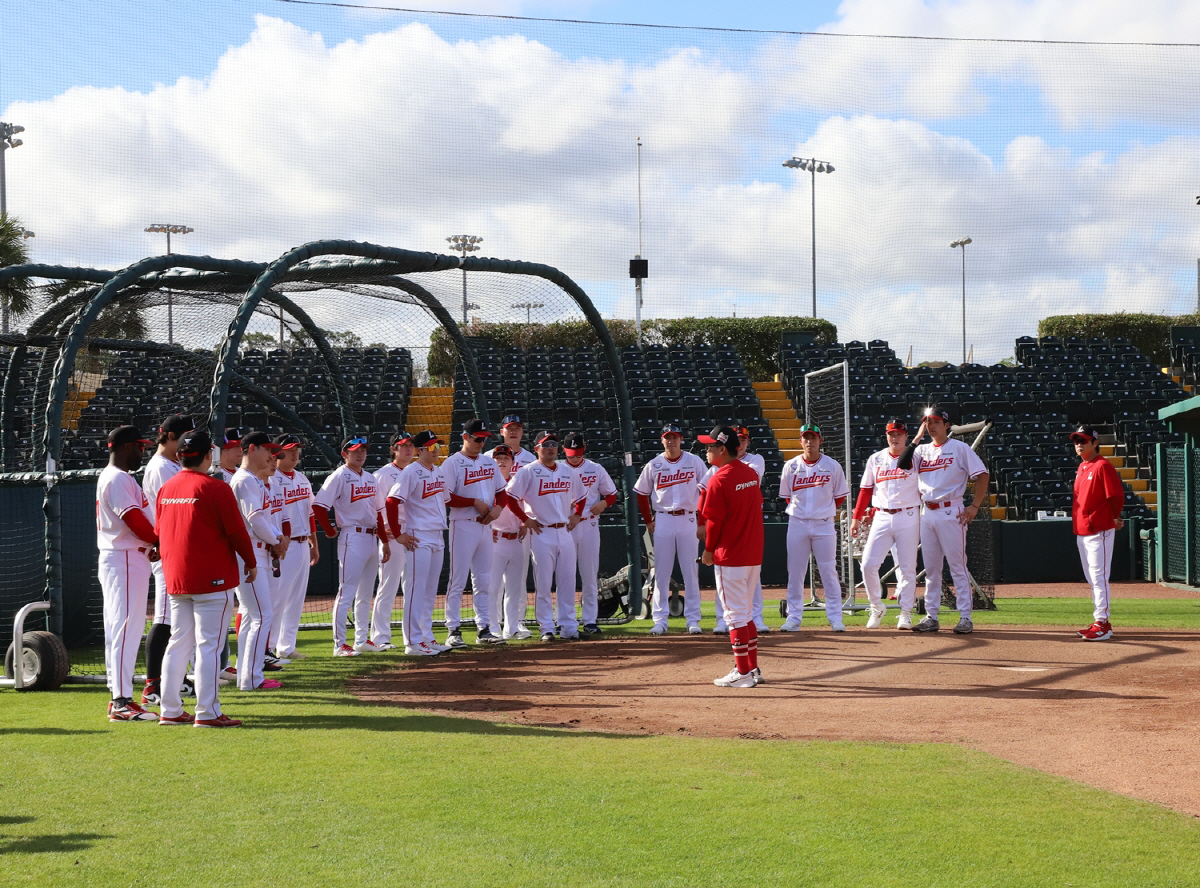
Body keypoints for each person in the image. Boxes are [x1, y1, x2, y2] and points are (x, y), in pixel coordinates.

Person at [155, 428, 257, 727]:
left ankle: (170, 710)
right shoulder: (215, 488)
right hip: (211, 579)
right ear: (208, 455)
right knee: (208, 646)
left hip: (176, 578)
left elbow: (159, 534)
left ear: (180, 455)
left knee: (178, 644)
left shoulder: (168, 487)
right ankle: (207, 711)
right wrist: (251, 563)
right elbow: (237, 532)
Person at [907, 406, 990, 634]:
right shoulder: (920, 451)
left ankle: (965, 617)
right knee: (931, 569)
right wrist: (915, 440)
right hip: (927, 512)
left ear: (946, 425)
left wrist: (974, 506)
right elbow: (901, 464)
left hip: (951, 510)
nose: (931, 425)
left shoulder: (959, 448)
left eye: (935, 421)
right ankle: (931, 616)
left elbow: (982, 475)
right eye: (927, 422)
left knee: (957, 567)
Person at [96, 425, 158, 721]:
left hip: (127, 557)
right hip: (124, 558)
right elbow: (136, 522)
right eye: (139, 446)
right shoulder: (117, 478)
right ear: (124, 447)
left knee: (121, 628)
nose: (142, 451)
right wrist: (162, 541)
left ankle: (118, 696)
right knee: (125, 628)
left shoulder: (120, 478)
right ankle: (121, 701)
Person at [698, 425, 765, 688]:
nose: (706, 451)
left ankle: (743, 673)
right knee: (745, 613)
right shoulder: (749, 473)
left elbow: (713, 521)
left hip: (731, 555)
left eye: (710, 446)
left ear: (722, 449)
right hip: (752, 553)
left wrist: (708, 550)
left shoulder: (719, 478)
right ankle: (751, 668)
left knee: (735, 616)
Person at [503, 430, 585, 641]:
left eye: (553, 444)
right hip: (541, 532)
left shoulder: (568, 471)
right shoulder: (528, 471)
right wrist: (524, 519)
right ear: (536, 448)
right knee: (544, 583)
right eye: (546, 445)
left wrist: (577, 515)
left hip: (564, 531)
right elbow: (510, 497)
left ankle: (568, 626)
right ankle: (546, 627)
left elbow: (582, 495)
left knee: (567, 582)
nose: (550, 448)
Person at [313, 435, 391, 656]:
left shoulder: (370, 478)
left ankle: (362, 639)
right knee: (346, 592)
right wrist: (329, 530)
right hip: (352, 537)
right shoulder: (339, 476)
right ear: (344, 454)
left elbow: (378, 512)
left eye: (363, 450)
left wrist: (384, 541)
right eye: (355, 450)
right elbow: (319, 505)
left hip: (371, 537)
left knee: (366, 594)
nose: (360, 454)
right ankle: (339, 644)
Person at [140, 413, 194, 707]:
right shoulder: (160, 467)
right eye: (184, 436)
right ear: (171, 436)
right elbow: (170, 511)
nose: (187, 443)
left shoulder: (172, 464)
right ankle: (151, 685)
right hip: (165, 550)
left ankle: (176, 680)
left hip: (176, 549)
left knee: (178, 621)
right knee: (163, 619)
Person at [634, 422, 707, 635]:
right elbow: (640, 493)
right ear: (662, 440)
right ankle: (660, 620)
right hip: (663, 518)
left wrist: (702, 521)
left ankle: (693, 619)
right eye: (667, 437)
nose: (671, 440)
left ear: (681, 439)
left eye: (675, 437)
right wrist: (648, 519)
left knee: (691, 572)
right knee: (662, 572)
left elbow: (706, 491)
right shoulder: (655, 464)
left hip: (688, 519)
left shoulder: (694, 462)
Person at [778, 423, 850, 632]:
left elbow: (839, 497)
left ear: (820, 440)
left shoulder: (832, 465)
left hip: (824, 525)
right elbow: (787, 498)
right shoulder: (790, 466)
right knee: (796, 571)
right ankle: (793, 618)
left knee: (828, 570)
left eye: (813, 437)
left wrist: (822, 512)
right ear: (800, 441)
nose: (810, 441)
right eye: (806, 438)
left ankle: (836, 617)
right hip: (798, 523)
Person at [851, 419, 920, 630]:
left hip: (908, 514)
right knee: (868, 564)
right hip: (881, 515)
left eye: (899, 434)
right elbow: (865, 489)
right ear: (886, 435)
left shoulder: (916, 458)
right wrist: (856, 516)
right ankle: (876, 606)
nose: (895, 437)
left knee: (908, 568)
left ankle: (906, 612)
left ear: (906, 436)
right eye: (891, 434)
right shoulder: (876, 458)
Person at [229, 431, 285, 690]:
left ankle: (247, 676)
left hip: (258, 550)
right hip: (249, 552)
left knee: (255, 617)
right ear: (252, 449)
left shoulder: (254, 480)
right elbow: (255, 520)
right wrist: (277, 539)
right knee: (262, 614)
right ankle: (252, 678)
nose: (271, 455)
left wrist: (273, 541)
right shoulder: (244, 480)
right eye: (266, 450)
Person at [442, 419, 506, 647]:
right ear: (465, 437)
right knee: (457, 579)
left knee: (483, 580)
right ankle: (453, 629)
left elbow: (502, 492)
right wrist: (473, 502)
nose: (481, 442)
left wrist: (498, 508)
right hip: (463, 524)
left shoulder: (489, 463)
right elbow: (446, 497)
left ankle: (484, 629)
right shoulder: (451, 464)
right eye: (477, 438)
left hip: (485, 526)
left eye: (484, 439)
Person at [386, 430, 447, 656]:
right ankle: (412, 641)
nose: (436, 451)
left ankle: (426, 636)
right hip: (418, 535)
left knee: (430, 591)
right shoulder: (411, 471)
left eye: (438, 446)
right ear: (420, 450)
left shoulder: (438, 472)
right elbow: (392, 501)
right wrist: (398, 533)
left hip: (437, 535)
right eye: (431, 447)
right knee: (415, 590)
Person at [1070, 426, 1124, 641]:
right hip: (1082, 530)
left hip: (1099, 530)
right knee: (1092, 579)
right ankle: (1100, 622)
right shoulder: (1083, 466)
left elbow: (1116, 495)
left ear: (1094, 442)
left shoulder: (1102, 465)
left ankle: (1101, 623)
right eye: (1076, 441)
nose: (1079, 444)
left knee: (1099, 578)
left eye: (1083, 440)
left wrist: (1113, 517)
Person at [562, 432, 618, 637]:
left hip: (589, 524)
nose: (574, 457)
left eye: (577, 453)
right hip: (566, 526)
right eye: (571, 454)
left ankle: (590, 620)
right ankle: (564, 620)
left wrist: (603, 503)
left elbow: (612, 494)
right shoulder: (559, 468)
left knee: (589, 574)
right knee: (565, 576)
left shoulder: (595, 468)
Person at [271, 433, 318, 659]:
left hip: (301, 543)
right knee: (279, 598)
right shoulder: (271, 479)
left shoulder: (301, 478)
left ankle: (286, 647)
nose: (294, 453)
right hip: (282, 545)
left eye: (297, 449)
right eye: (290, 449)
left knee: (297, 599)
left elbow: (310, 514)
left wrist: (314, 544)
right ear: (277, 452)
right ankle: (268, 648)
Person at [370, 430, 415, 651]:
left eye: (410, 445)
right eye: (403, 445)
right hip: (392, 534)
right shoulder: (382, 475)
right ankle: (380, 637)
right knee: (388, 587)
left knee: (413, 587)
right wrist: (385, 531)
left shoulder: (418, 471)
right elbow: (378, 508)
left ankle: (413, 636)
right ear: (393, 449)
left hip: (415, 532)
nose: (408, 448)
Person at [489, 445, 531, 640]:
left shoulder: (518, 484)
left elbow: (527, 506)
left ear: (513, 462)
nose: (502, 461)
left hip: (516, 539)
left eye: (506, 458)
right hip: (495, 540)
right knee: (493, 587)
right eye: (498, 458)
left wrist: (525, 522)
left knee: (515, 587)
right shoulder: (487, 485)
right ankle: (493, 627)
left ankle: (512, 627)